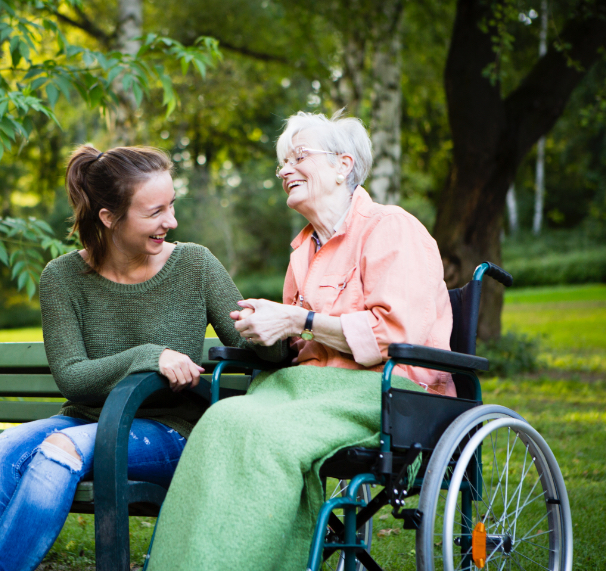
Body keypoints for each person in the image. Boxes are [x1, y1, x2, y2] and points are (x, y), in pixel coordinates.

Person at [147, 111, 454, 571]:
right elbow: (302, 339)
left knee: (265, 435)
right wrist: (269, 328)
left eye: (298, 157)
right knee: (219, 421)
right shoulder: (303, 252)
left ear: (342, 165)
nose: (285, 170)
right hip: (304, 390)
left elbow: (394, 335)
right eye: (282, 163)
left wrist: (298, 319)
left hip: (389, 393)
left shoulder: (392, 228)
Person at [0, 144, 281, 571]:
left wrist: (278, 331)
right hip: (86, 419)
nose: (171, 221)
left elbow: (258, 346)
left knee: (60, 449)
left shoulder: (195, 265)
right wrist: (151, 355)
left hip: (170, 429)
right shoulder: (61, 277)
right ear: (109, 218)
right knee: (5, 450)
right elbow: (73, 379)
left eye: (171, 206)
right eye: (155, 212)